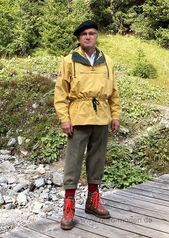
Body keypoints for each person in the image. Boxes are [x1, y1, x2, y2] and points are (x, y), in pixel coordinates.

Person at [54, 20, 121, 230]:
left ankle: (93, 201)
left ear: (97, 36)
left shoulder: (107, 61)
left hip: (101, 117)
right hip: (78, 119)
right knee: (73, 163)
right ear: (78, 38)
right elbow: (60, 93)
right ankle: (69, 206)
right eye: (84, 34)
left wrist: (115, 115)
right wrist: (64, 118)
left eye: (92, 33)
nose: (88, 37)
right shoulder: (68, 61)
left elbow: (114, 92)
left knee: (97, 161)